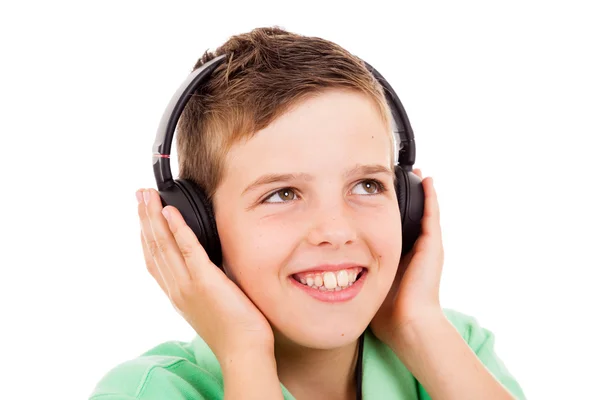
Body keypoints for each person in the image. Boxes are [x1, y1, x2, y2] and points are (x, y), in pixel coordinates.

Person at [90, 26, 526, 400]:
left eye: (367, 185)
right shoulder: (145, 391)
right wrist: (245, 354)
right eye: (282, 194)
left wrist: (417, 327)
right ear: (198, 229)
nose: (335, 231)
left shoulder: (452, 346)